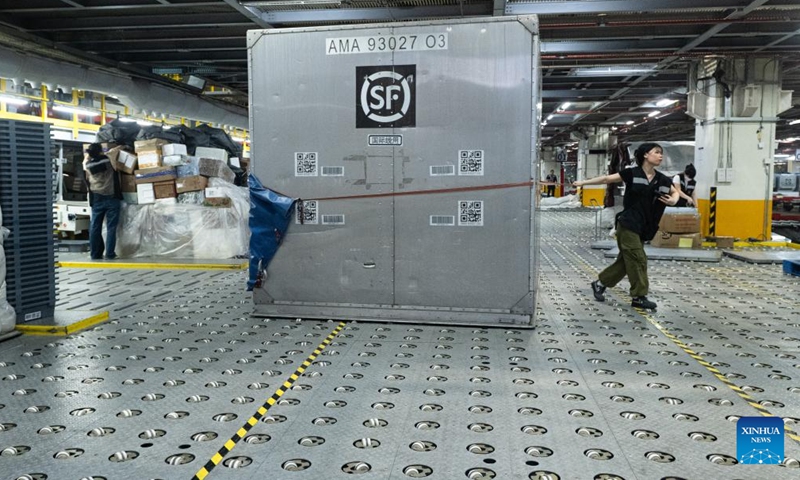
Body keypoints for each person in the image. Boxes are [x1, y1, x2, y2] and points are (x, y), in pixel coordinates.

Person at [573, 143, 679, 310]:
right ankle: (639, 296)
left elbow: (675, 192)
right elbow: (607, 179)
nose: (660, 156)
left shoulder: (662, 179)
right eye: (657, 152)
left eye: (661, 153)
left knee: (626, 260)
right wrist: (582, 183)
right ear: (645, 155)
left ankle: (600, 283)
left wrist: (673, 200)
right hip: (628, 223)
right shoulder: (632, 173)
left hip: (646, 226)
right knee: (638, 259)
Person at [83, 143, 121, 260]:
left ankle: (95, 254)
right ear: (100, 151)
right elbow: (115, 151)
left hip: (97, 198)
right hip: (111, 196)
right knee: (111, 227)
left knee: (95, 226)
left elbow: (85, 164)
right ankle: (110, 253)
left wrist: (87, 157)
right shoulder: (106, 160)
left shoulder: (88, 165)